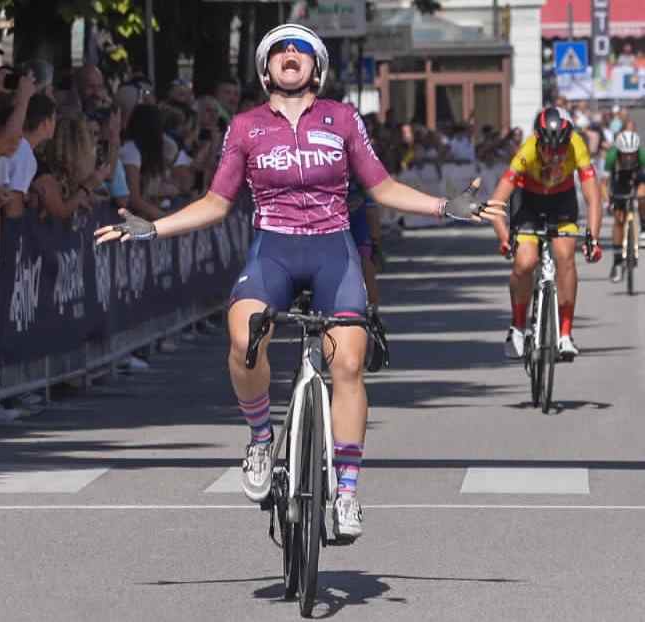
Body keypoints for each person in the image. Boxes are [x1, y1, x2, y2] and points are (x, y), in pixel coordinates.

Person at [95, 23, 504, 541]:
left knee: (349, 363)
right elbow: (216, 204)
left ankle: (349, 489)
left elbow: (383, 188)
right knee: (244, 338)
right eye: (280, 51)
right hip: (275, 252)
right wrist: (154, 227)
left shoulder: (343, 120)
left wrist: (445, 207)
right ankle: (261, 439)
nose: (291, 55)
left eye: (302, 50)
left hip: (332, 249)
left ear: (318, 68)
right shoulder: (245, 126)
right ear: (266, 69)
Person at [489, 107, 603, 361]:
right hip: (528, 202)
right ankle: (517, 327)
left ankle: (565, 334)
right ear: (538, 142)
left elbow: (593, 197)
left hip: (561, 202)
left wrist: (593, 238)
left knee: (565, 256)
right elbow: (496, 202)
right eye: (548, 150)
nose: (554, 156)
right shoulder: (526, 152)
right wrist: (504, 237)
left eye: (559, 150)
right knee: (525, 261)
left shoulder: (577, 147)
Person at [602, 130, 645, 282]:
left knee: (642, 196)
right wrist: (607, 200)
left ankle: (643, 227)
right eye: (625, 154)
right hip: (618, 179)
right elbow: (605, 183)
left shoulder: (642, 155)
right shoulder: (611, 157)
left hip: (638, 175)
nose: (628, 157)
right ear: (619, 152)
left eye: (632, 154)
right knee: (619, 220)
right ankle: (617, 260)